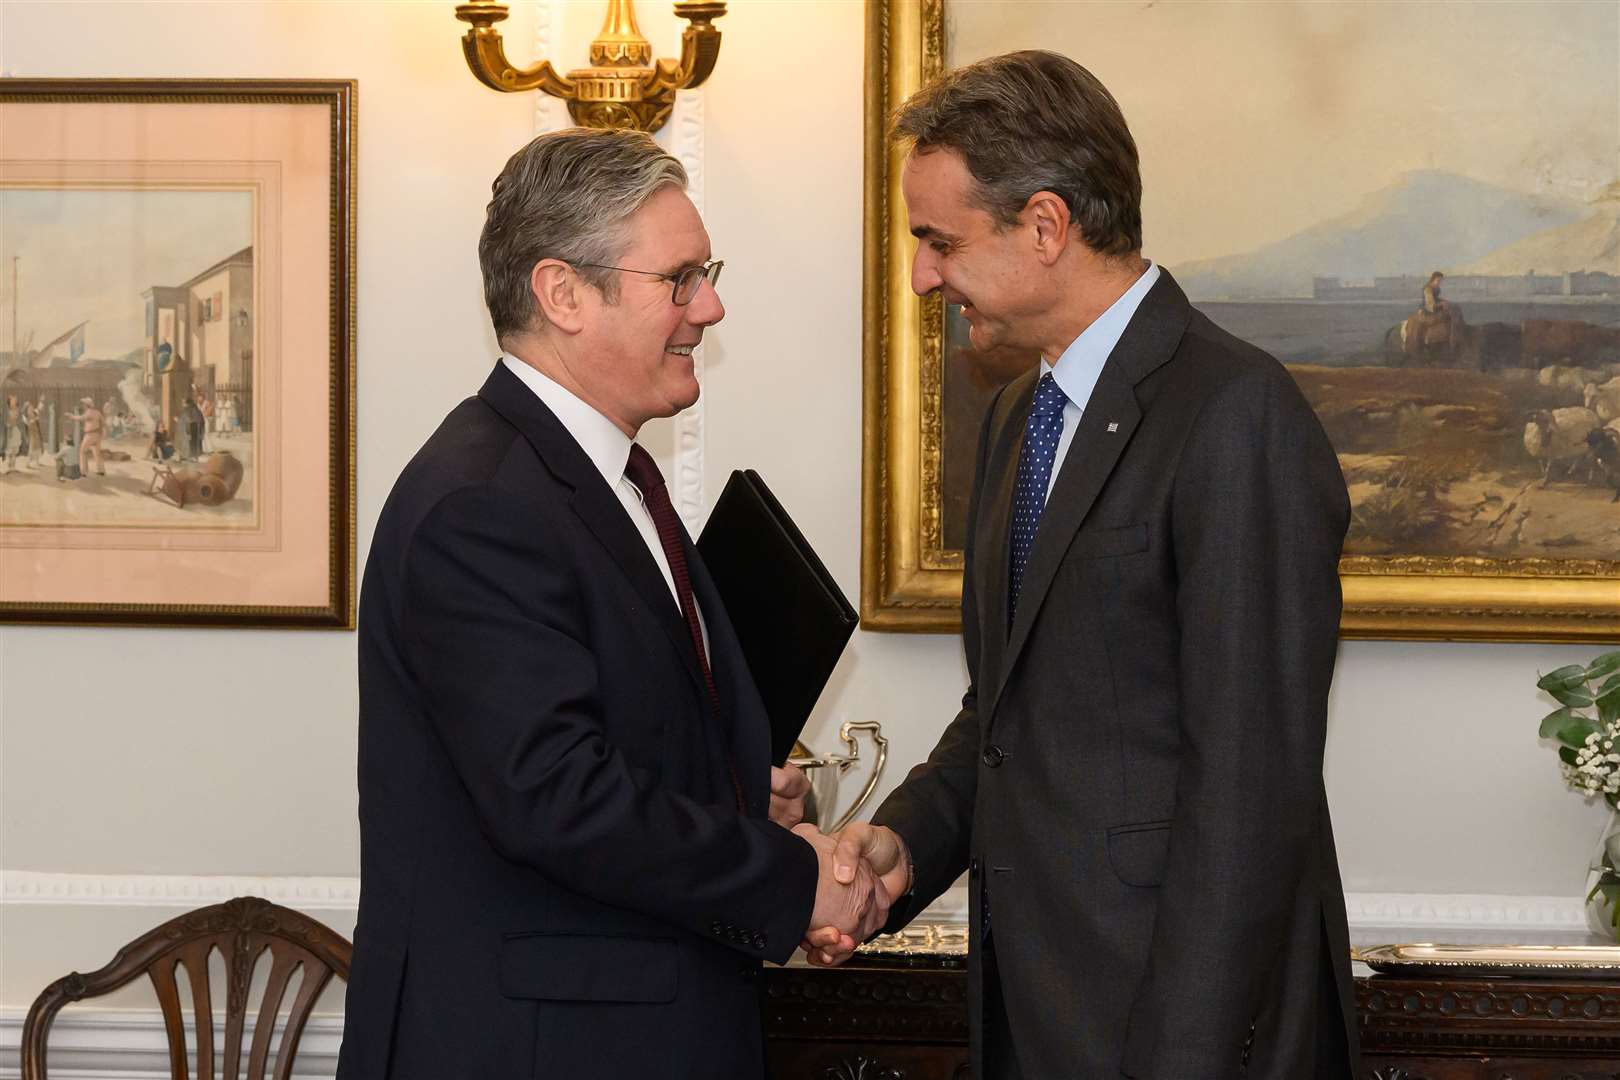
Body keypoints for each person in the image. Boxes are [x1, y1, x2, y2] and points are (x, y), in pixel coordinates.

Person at [808, 51, 1357, 1079]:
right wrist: (907, 844)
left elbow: (1250, 790)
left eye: (939, 242)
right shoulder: (1021, 417)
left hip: (1175, 1033)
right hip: (1040, 1013)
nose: (924, 275)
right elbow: (1011, 714)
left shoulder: (1237, 415)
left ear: (1048, 226)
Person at [336, 128, 890, 1080]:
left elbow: (583, 735)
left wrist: (733, 790)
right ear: (563, 294)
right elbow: (556, 797)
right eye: (680, 278)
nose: (710, 307)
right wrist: (796, 880)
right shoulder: (484, 504)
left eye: (705, 274)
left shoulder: (605, 480)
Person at [62, 397, 104, 477]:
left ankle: (83, 471)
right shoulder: (97, 412)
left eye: (84, 404)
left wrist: (71, 416)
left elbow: (80, 418)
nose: (83, 405)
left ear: (86, 405)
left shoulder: (89, 412)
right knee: (97, 452)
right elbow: (103, 422)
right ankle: (101, 470)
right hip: (97, 434)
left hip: (90, 435)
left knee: (82, 451)